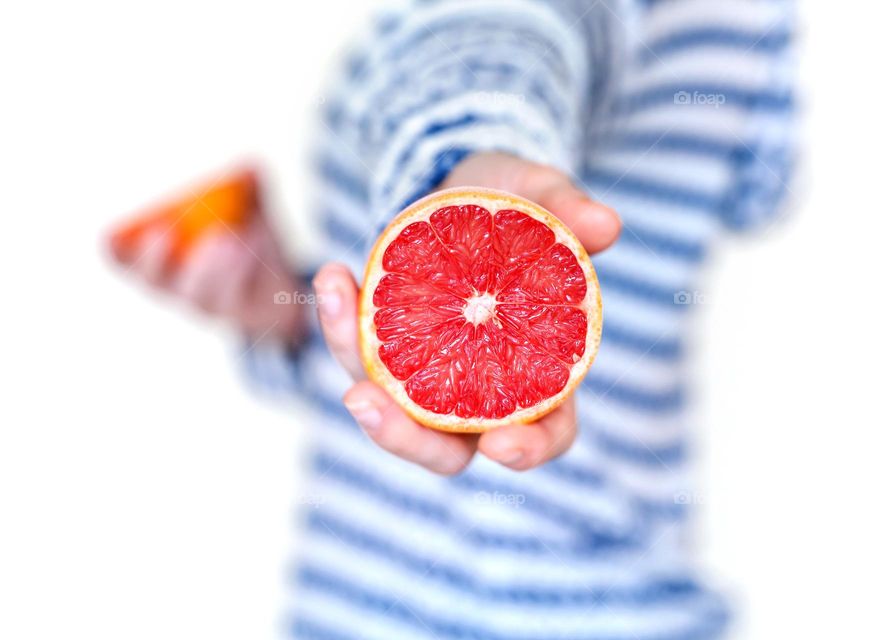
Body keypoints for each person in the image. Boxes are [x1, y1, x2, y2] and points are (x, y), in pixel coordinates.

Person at [112, 0, 795, 637]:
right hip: (390, 600)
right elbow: (761, 184)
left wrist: (469, 155)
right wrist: (281, 311)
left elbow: (509, 33)